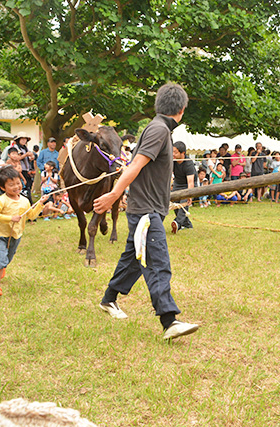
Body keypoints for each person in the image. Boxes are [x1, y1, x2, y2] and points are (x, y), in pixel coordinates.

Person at [93, 83, 199, 340]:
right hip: (145, 210)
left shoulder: (158, 129)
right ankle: (169, 320)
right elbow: (136, 165)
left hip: (149, 207)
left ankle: (109, 299)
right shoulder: (159, 130)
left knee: (134, 257)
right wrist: (114, 195)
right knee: (156, 262)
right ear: (182, 109)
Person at [0, 166, 48, 297]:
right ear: (3, 188)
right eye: (11, 185)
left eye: (17, 183)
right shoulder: (1, 200)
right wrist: (10, 218)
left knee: (7, 258)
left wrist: (40, 204)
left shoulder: (24, 201)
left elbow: (31, 215)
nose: (16, 187)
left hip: (16, 235)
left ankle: (2, 267)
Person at [171, 140, 196, 233]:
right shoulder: (172, 161)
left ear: (183, 153)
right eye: (172, 151)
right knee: (175, 203)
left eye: (175, 152)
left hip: (188, 185)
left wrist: (190, 194)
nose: (173, 154)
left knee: (183, 203)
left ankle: (177, 223)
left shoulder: (188, 163)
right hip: (178, 184)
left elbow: (190, 182)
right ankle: (187, 224)